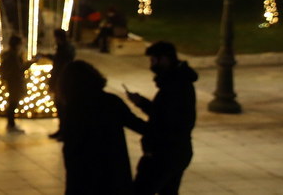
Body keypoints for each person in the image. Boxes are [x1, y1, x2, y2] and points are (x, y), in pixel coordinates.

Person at [59, 60, 147, 194]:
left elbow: (71, 146)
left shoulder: (75, 108)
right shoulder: (111, 101)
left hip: (85, 176)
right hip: (113, 171)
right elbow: (140, 126)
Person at [126, 41, 198, 195]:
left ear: (164, 59)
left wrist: (134, 123)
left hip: (164, 155)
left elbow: (165, 122)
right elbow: (163, 113)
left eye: (153, 60)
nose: (151, 65)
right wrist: (141, 103)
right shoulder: (177, 82)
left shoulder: (175, 86)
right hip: (176, 152)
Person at [48, 28, 77, 140]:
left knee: (63, 108)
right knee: (60, 108)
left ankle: (65, 132)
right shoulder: (64, 48)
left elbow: (60, 64)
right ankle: (61, 130)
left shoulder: (66, 49)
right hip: (60, 81)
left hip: (62, 82)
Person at [0, 35, 30, 134]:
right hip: (15, 82)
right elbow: (19, 69)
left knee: (12, 102)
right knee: (13, 103)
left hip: (11, 82)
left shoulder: (9, 54)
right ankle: (11, 124)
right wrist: (30, 63)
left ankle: (10, 123)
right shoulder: (13, 56)